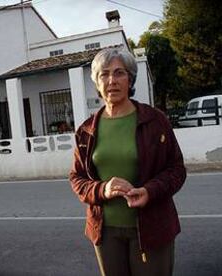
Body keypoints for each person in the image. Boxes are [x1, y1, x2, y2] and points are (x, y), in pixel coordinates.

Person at [69, 47, 186, 276]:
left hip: (152, 227)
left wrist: (149, 191)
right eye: (104, 74)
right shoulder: (86, 130)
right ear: (97, 82)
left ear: (130, 78)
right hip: (105, 232)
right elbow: (77, 178)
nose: (112, 80)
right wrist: (103, 189)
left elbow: (176, 169)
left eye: (119, 73)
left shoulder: (155, 120)